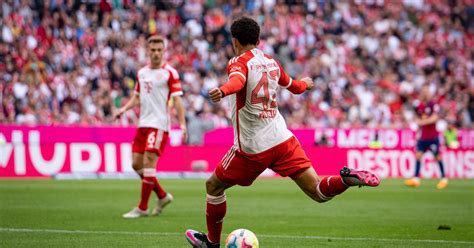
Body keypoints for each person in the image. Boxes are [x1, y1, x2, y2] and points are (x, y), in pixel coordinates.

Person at [185, 17, 380, 248]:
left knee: (213, 186)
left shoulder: (237, 61)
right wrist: (305, 84)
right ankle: (346, 179)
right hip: (282, 138)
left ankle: (212, 243)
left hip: (252, 147)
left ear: (234, 41)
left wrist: (222, 90)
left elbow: (237, 82)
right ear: (258, 40)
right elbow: (294, 87)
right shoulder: (272, 62)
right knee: (317, 190)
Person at [113, 35, 187, 218]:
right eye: (152, 50)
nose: (155, 53)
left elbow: (177, 101)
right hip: (143, 124)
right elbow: (137, 96)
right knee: (136, 164)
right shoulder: (142, 73)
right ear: (148, 51)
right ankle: (162, 196)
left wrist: (183, 124)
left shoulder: (170, 73)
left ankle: (143, 207)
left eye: (159, 50)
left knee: (148, 164)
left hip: (159, 125)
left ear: (163, 51)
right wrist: (123, 109)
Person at [404, 85, 447, 189]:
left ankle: (443, 179)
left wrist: (422, 122)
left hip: (432, 136)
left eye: (426, 91)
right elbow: (416, 117)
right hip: (422, 137)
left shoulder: (433, 104)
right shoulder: (419, 106)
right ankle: (416, 179)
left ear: (429, 93)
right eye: (423, 91)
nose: (424, 93)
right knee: (418, 155)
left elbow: (435, 118)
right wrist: (416, 122)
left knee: (437, 157)